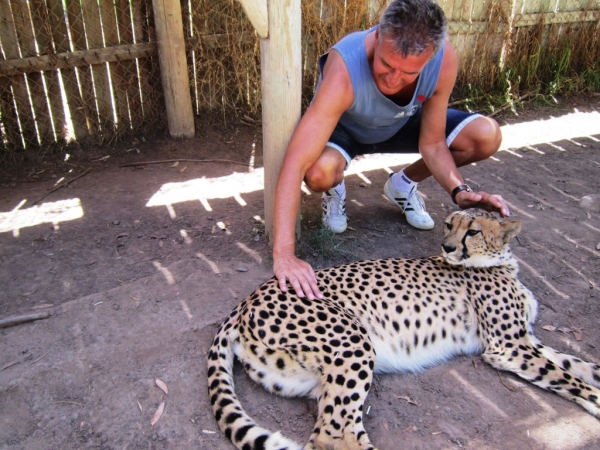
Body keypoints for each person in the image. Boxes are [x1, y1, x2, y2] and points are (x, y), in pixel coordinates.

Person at [272, 0, 510, 301]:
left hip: (402, 124)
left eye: (409, 73)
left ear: (432, 55)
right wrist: (284, 254)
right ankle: (336, 187)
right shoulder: (345, 68)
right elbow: (295, 162)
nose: (393, 80)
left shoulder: (444, 60)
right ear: (377, 36)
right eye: (385, 64)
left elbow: (433, 143)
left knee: (485, 136)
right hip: (348, 131)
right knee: (317, 173)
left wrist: (459, 191)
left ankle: (402, 185)